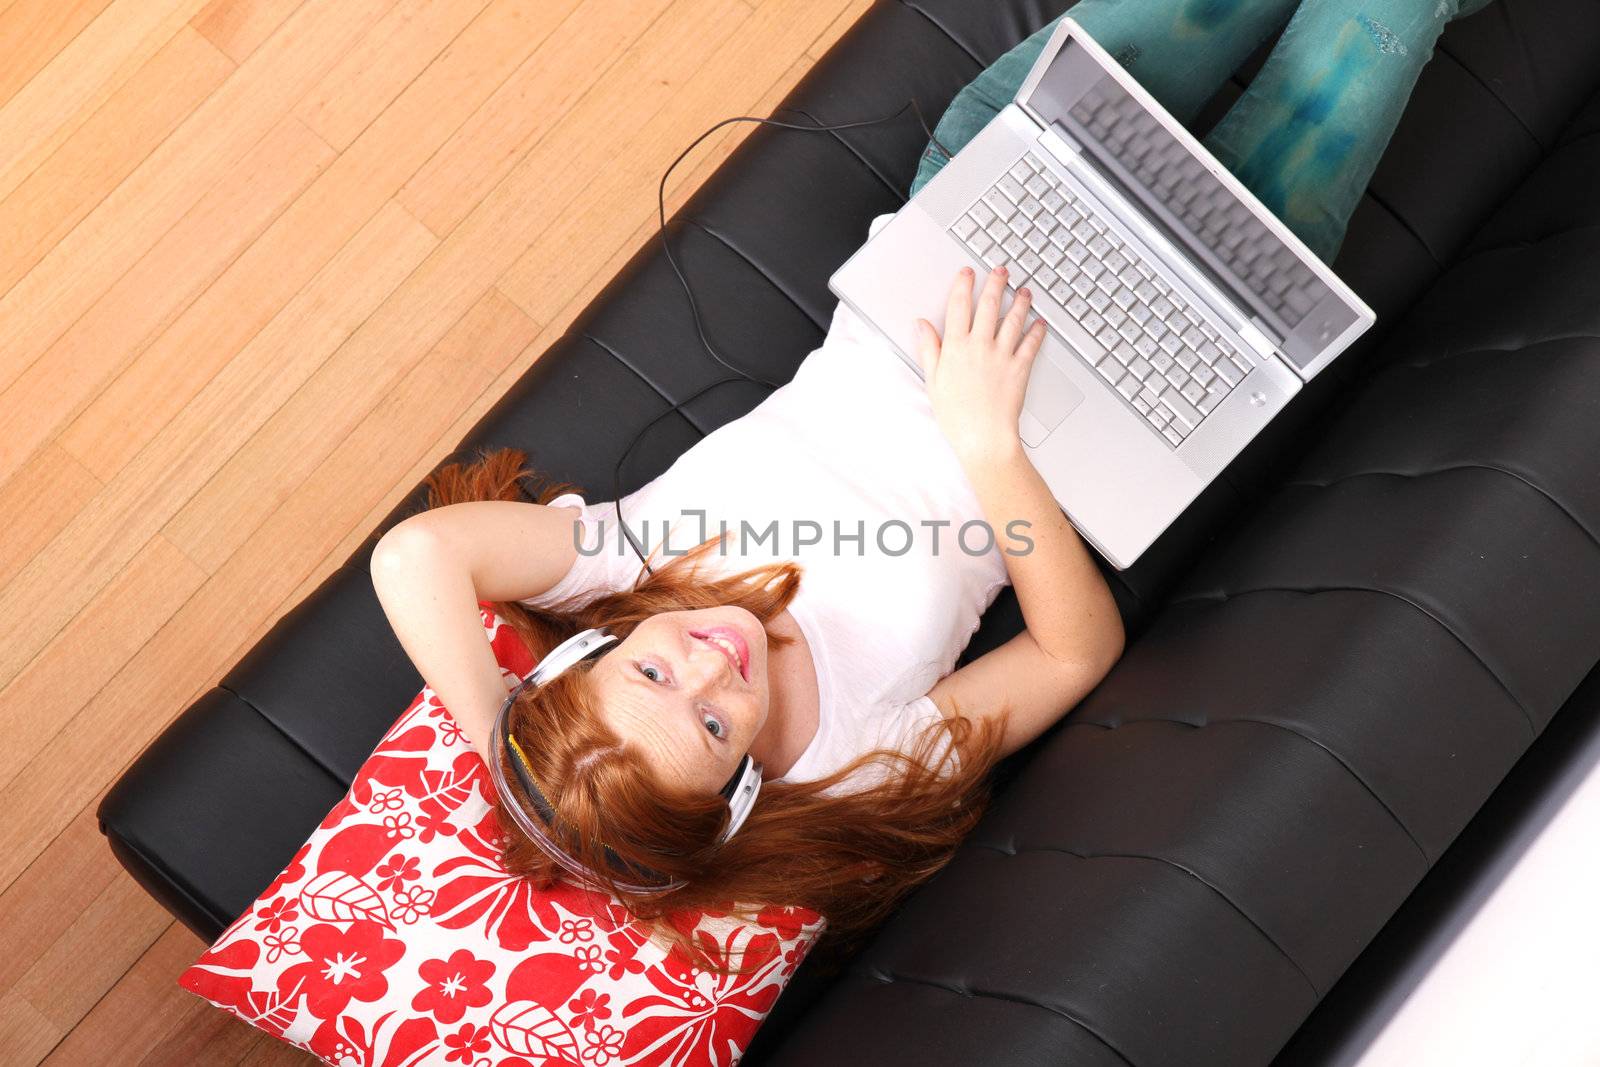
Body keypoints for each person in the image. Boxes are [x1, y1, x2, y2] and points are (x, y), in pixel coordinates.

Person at [372, 0, 1493, 978]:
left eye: (653, 666)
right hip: (1137, 375)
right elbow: (1069, 653)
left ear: (587, 652)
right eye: (715, 724)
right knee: (1379, 16)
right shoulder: (852, 766)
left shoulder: (625, 558)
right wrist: (989, 446)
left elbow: (414, 556)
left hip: (974, 235)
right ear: (740, 794)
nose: (714, 656)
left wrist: (500, 744)